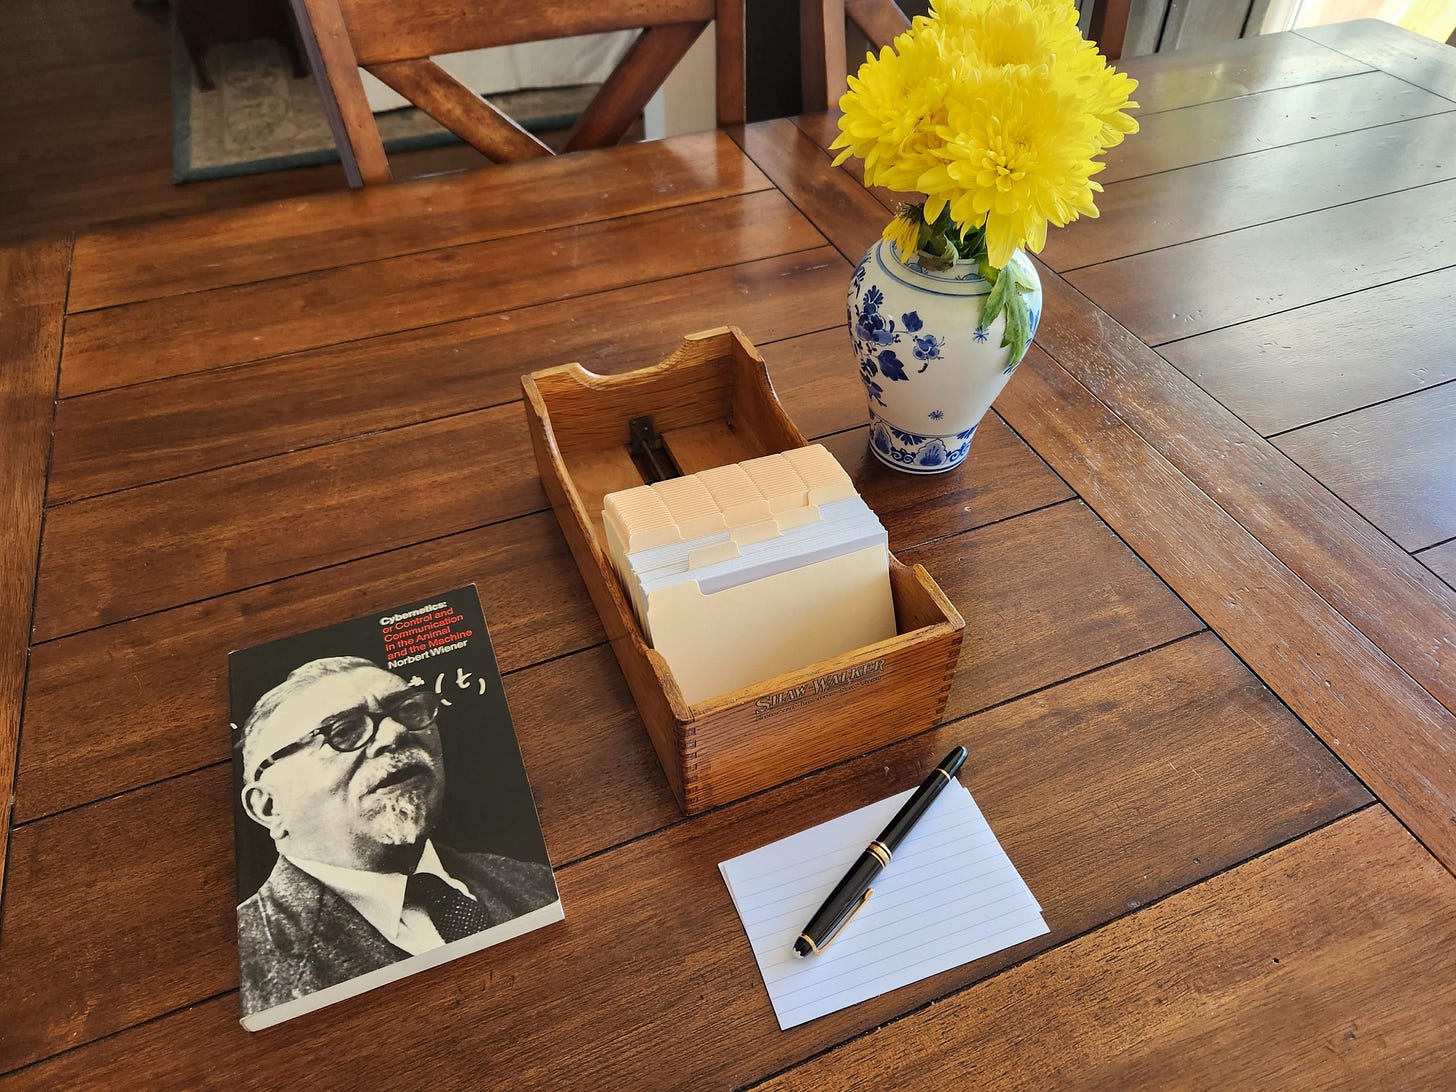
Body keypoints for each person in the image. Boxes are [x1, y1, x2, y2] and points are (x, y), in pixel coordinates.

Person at [235, 656, 556, 1013]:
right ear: (270, 807)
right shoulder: (251, 968)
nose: (395, 733)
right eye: (344, 731)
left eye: (409, 710)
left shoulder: (536, 881)